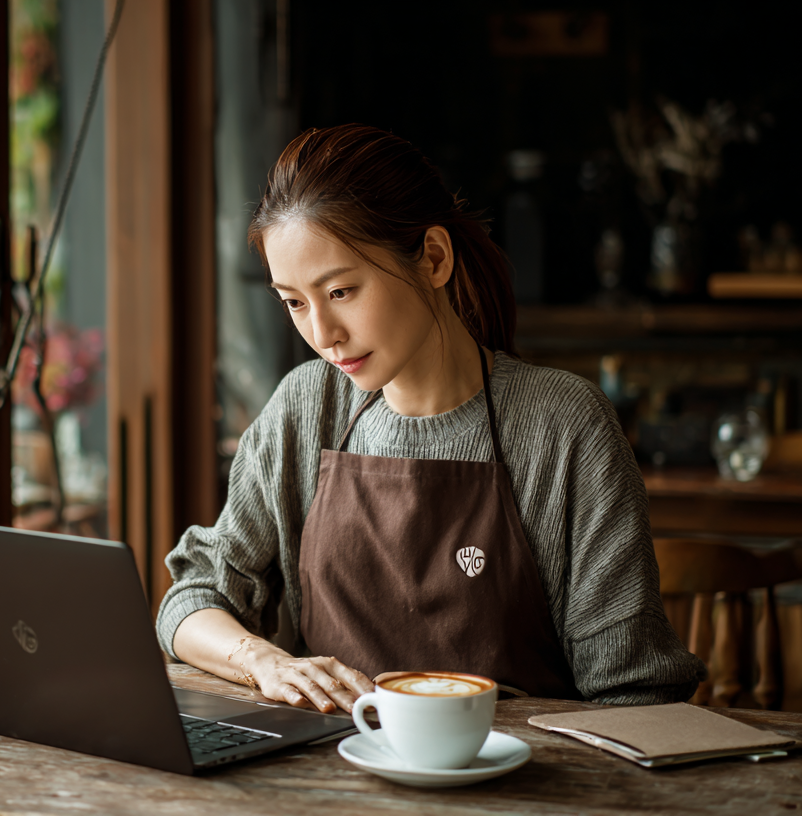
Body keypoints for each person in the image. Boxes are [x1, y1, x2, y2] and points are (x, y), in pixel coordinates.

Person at [155, 124, 706, 714]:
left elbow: (637, 698)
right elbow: (194, 598)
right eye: (294, 302)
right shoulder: (303, 408)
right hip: (335, 782)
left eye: (340, 291)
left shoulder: (563, 425)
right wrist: (263, 660)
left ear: (434, 259)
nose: (322, 335)